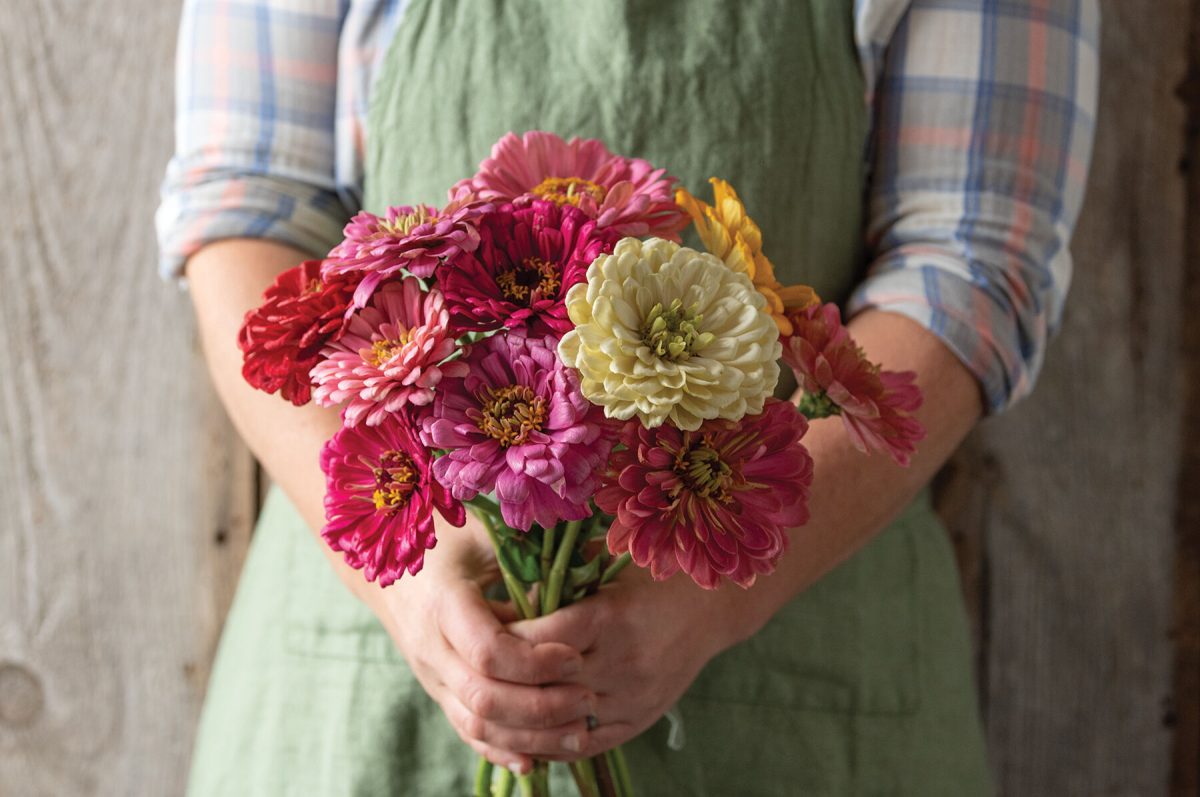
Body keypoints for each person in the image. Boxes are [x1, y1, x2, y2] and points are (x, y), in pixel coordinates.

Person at [158, 1, 1099, 793]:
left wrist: (715, 588)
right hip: (367, 656)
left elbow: (969, 261)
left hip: (800, 651)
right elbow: (249, 208)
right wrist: (413, 567)